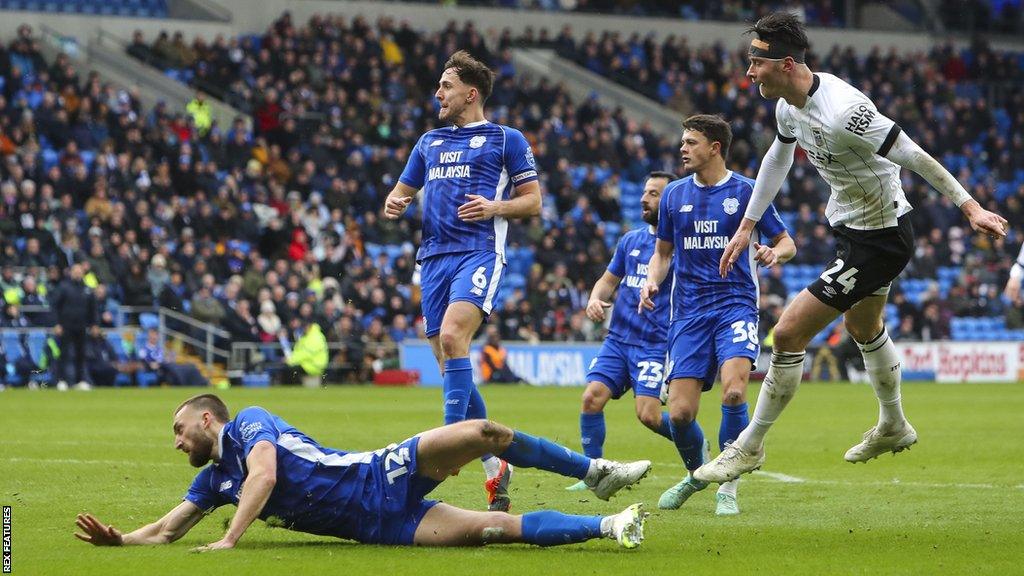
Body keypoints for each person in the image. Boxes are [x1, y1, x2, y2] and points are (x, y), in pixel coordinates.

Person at [696, 13, 1008, 483]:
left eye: (755, 61)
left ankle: (749, 446)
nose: (748, 72)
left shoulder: (844, 110)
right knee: (864, 327)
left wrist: (970, 209)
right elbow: (778, 158)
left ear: (785, 63)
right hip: (853, 229)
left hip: (880, 238)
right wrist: (747, 226)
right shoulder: (787, 107)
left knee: (786, 335)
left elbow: (913, 154)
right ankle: (894, 423)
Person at [74, 394, 651, 550]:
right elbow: (169, 529)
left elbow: (267, 476)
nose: (177, 443)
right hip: (377, 525)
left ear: (207, 419)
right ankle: (610, 526)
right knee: (494, 531)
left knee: (483, 433)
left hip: (379, 476)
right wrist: (121, 539)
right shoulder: (214, 480)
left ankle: (594, 471)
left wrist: (229, 539)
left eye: (180, 431)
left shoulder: (249, 423)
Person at [383, 50, 542, 511]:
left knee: (454, 336)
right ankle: (496, 466)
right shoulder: (428, 142)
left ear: (471, 94)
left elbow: (532, 202)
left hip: (478, 253)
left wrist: (495, 208)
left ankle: (447, 443)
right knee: (447, 356)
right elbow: (401, 191)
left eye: (446, 86)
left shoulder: (506, 139)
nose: (438, 94)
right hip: (432, 259)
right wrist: (396, 203)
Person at [640, 115, 794, 516]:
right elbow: (663, 253)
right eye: (682, 141)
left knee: (734, 391)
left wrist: (773, 253)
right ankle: (697, 475)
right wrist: (650, 280)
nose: (683, 148)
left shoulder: (748, 191)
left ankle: (728, 487)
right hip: (688, 313)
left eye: (691, 142)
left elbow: (786, 241)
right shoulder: (673, 195)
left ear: (714, 148)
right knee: (679, 414)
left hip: (735, 305)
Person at [564, 172, 678, 491]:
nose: (644, 198)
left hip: (655, 343)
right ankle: (594, 472)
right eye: (644, 192)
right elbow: (607, 281)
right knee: (591, 398)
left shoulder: (683, 247)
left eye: (654, 194)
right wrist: (594, 299)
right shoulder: (630, 240)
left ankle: (696, 448)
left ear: (670, 202)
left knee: (650, 417)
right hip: (619, 340)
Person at [50, 263, 98, 391]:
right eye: (75, 271)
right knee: (64, 354)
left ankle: (80, 380)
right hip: (66, 326)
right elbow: (55, 306)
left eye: (79, 271)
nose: (77, 273)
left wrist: (94, 324)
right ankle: (61, 380)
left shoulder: (87, 289)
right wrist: (56, 323)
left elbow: (93, 309)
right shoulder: (64, 287)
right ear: (71, 272)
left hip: (82, 326)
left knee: (81, 354)